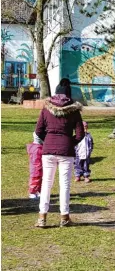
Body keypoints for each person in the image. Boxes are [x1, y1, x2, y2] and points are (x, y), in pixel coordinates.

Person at [34, 93, 84, 228]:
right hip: (66, 151)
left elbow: (38, 131)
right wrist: (68, 142)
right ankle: (64, 217)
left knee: (46, 184)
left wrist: (49, 141)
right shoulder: (74, 111)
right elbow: (80, 134)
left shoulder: (46, 109)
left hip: (48, 150)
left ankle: (42, 217)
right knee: (65, 184)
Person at [27, 132, 44, 199]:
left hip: (41, 167)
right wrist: (39, 167)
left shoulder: (40, 147)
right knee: (35, 179)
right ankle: (32, 192)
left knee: (42, 178)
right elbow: (36, 161)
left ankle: (40, 191)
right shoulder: (36, 149)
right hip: (36, 169)